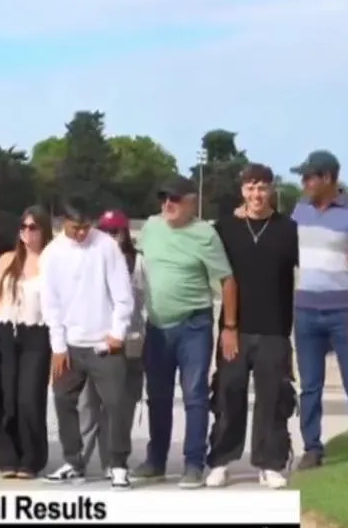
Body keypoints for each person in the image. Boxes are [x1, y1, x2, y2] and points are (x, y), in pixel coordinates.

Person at [136, 176, 237, 489]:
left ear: (192, 202)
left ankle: (194, 464)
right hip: (156, 326)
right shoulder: (151, 227)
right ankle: (156, 461)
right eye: (164, 198)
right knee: (157, 396)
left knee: (194, 396)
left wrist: (230, 326)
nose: (168, 204)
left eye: (176, 199)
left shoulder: (205, 234)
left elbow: (227, 280)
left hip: (194, 325)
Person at [207, 164, 298, 489]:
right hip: (235, 328)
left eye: (262, 188)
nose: (256, 194)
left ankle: (269, 463)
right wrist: (228, 328)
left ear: (271, 189)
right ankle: (221, 460)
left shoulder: (288, 229)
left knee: (273, 398)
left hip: (275, 328)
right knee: (228, 394)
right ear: (242, 191)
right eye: (250, 188)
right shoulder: (225, 228)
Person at [290, 150, 348, 472]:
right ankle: (312, 448)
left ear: (327, 177)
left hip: (344, 312)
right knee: (310, 387)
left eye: (308, 177)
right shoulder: (299, 211)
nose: (304, 182)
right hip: (305, 311)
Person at [39, 197, 135, 488]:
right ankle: (72, 461)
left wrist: (117, 332)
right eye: (75, 228)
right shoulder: (52, 253)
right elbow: (51, 304)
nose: (81, 233)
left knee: (116, 403)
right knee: (62, 400)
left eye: (86, 227)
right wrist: (58, 347)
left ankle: (118, 465)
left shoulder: (106, 246)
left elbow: (123, 295)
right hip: (70, 344)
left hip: (104, 344)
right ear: (62, 223)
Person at [77, 209, 147, 477]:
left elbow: (146, 303)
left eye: (115, 231)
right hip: (94, 342)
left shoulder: (138, 262)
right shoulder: (88, 259)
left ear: (125, 233)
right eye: (104, 231)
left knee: (120, 407)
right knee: (88, 405)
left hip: (129, 344)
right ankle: (79, 461)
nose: (110, 236)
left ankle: (114, 461)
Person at [0, 206, 54, 478]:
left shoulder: (52, 261)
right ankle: (8, 456)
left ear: (44, 230)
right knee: (7, 396)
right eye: (24, 227)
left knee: (29, 397)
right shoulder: (7, 259)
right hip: (6, 329)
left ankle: (32, 457)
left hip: (37, 332)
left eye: (33, 227)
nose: (28, 232)